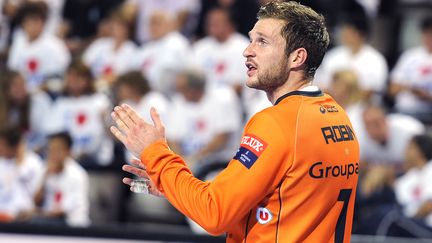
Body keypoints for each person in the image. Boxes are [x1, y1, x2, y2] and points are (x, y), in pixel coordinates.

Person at [111, 1, 359, 242]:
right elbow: (274, 207)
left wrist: (156, 154)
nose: (247, 50)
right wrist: (173, 184)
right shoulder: (338, 117)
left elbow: (215, 213)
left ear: (297, 58)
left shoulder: (276, 123)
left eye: (262, 41)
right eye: (251, 39)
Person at [388, 16, 432, 124]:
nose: (428, 37)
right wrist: (410, 89)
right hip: (401, 111)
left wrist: (426, 96)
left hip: (427, 114)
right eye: (426, 33)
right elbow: (392, 89)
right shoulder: (410, 56)